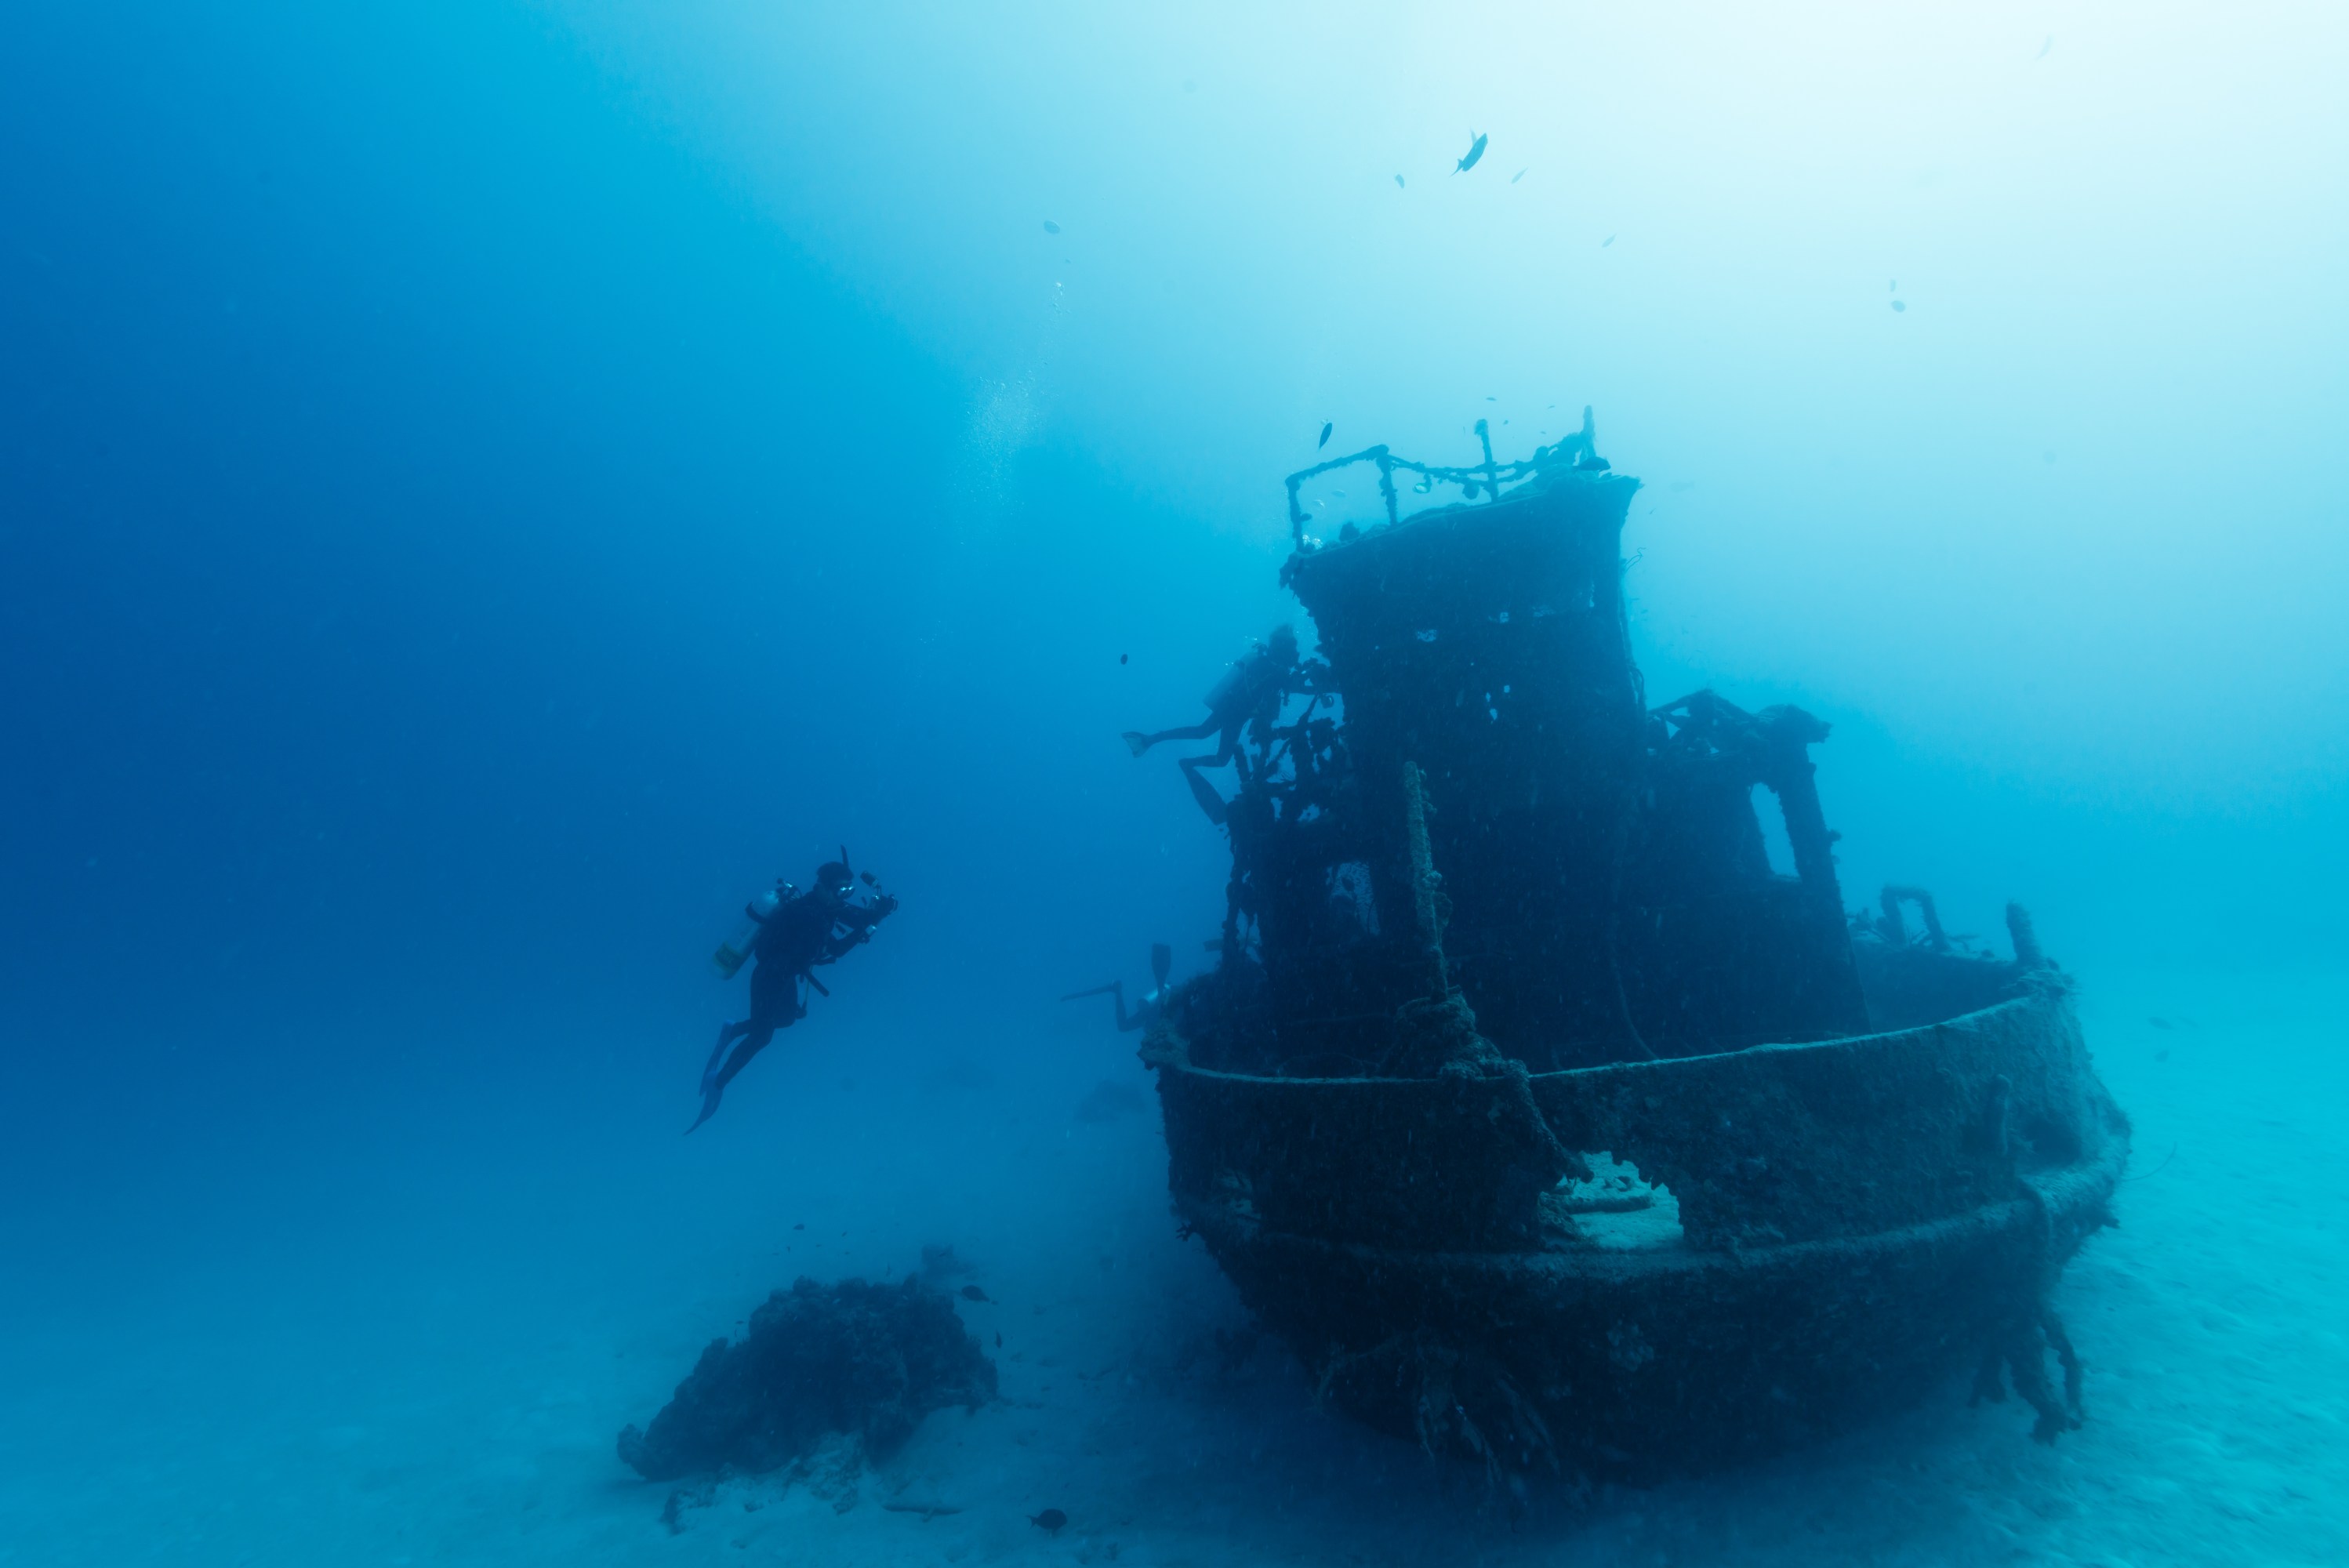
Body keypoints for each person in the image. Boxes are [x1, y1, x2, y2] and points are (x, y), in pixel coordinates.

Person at [692, 858, 899, 1131]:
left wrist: (877, 915)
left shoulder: (825, 906)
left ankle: (731, 1031)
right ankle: (716, 1084)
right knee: (762, 1037)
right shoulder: (809, 914)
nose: (844, 897)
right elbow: (834, 950)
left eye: (848, 892)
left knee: (787, 1019)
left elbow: (853, 917)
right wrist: (867, 926)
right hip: (770, 976)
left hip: (785, 976)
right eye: (840, 891)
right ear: (822, 888)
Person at [1122, 625, 1320, 822]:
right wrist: (1323, 686)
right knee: (1212, 746)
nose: (1296, 652)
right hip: (1233, 711)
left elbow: (1287, 686)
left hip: (1234, 711)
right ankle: (1168, 751)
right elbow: (1293, 685)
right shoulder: (1271, 668)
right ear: (1282, 648)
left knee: (1205, 737)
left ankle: (1160, 745)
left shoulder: (1269, 665)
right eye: (1292, 647)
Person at [1060, 942, 1174, 1033]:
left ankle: (1117, 991)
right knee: (1128, 1025)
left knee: (1124, 1026)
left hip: (1156, 1013)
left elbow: (1124, 1026)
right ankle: (1117, 991)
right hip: (1159, 1012)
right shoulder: (1171, 1004)